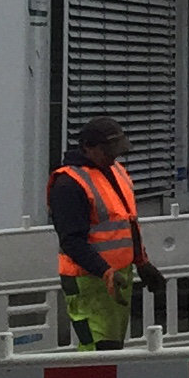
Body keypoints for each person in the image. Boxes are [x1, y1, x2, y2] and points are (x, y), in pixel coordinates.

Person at [50, 116, 153, 349]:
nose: (113, 157)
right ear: (88, 147)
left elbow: (128, 223)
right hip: (87, 281)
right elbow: (71, 241)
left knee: (111, 347)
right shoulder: (68, 184)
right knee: (97, 350)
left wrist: (142, 262)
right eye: (108, 151)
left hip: (115, 277)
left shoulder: (115, 171)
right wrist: (104, 271)